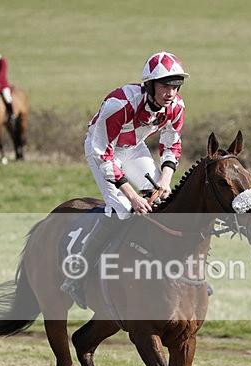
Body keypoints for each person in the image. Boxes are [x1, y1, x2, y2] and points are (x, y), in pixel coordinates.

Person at [62, 51, 189, 308]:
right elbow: (104, 154)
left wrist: (165, 180)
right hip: (102, 151)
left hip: (133, 149)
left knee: (164, 201)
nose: (170, 93)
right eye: (165, 86)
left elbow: (171, 145)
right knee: (122, 209)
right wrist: (132, 195)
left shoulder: (176, 107)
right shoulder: (119, 104)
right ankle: (76, 276)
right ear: (150, 85)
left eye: (175, 86)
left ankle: (176, 275)